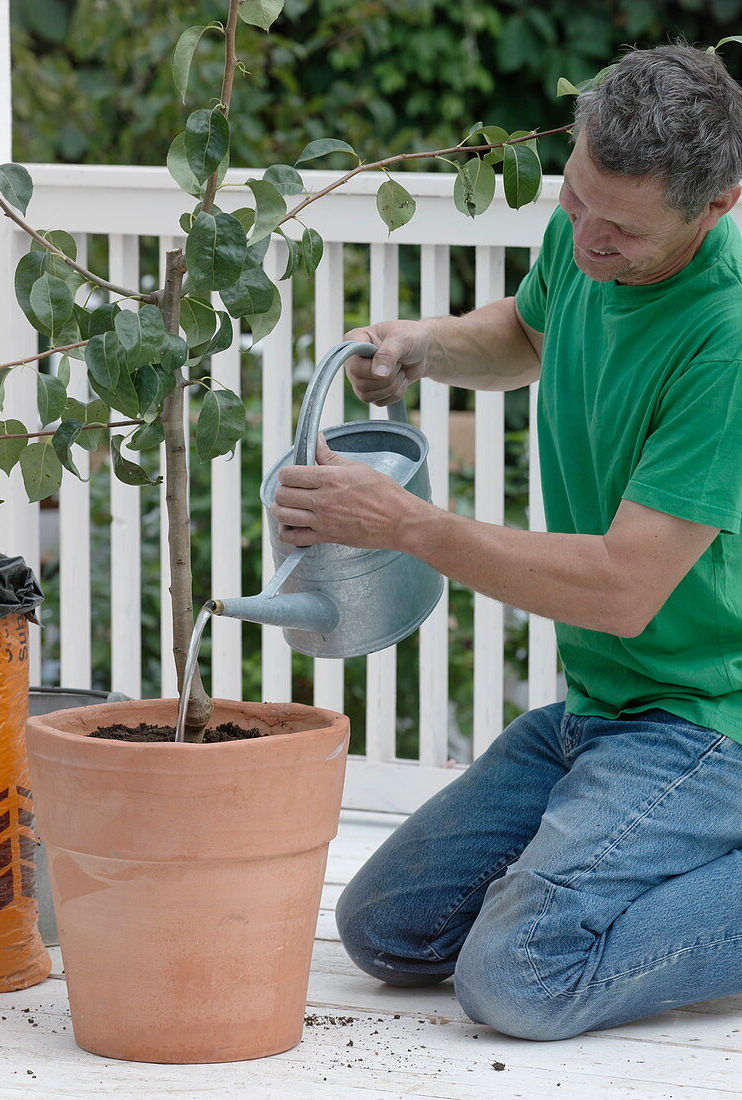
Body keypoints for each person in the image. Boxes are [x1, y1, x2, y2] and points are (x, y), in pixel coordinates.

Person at [271, 43, 742, 1041]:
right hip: (600, 708)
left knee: (518, 975)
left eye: (620, 230)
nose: (586, 243)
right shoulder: (594, 235)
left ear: (718, 205)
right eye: (575, 202)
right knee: (384, 929)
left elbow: (622, 589)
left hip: (707, 721)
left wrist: (404, 524)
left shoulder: (726, 337)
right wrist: (421, 345)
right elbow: (529, 333)